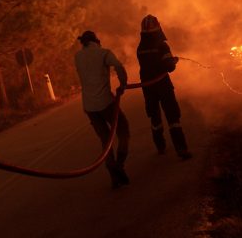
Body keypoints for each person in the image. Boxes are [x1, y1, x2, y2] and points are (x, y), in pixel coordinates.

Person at [74, 30, 131, 188]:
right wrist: (123, 84)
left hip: (89, 107)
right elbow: (119, 66)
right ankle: (119, 166)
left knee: (105, 141)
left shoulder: (77, 57)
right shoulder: (103, 53)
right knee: (123, 132)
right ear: (96, 41)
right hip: (106, 102)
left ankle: (113, 177)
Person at [137, 15, 192, 160]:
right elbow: (169, 67)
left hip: (148, 88)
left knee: (155, 117)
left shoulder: (140, 47)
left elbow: (147, 66)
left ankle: (160, 147)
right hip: (163, 86)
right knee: (173, 117)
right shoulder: (162, 45)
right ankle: (182, 150)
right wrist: (173, 61)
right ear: (157, 27)